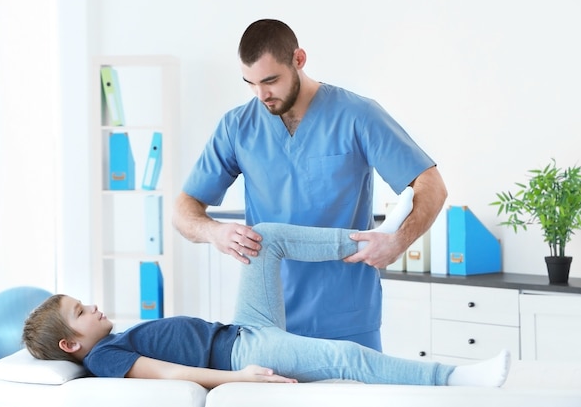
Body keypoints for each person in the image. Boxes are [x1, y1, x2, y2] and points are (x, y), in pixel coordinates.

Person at [173, 18, 448, 351]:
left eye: (271, 80)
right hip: (267, 324)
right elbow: (184, 209)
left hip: (347, 317)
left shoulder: (357, 115)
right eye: (251, 83)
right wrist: (214, 232)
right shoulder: (237, 127)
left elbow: (430, 183)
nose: (262, 95)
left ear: (299, 60)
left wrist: (398, 242)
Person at [22, 204, 509, 389]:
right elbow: (171, 374)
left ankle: (368, 239)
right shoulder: (105, 357)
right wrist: (239, 378)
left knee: (264, 237)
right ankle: (455, 378)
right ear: (71, 344)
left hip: (241, 327)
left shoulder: (111, 341)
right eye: (81, 312)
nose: (93, 307)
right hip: (246, 351)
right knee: (349, 358)